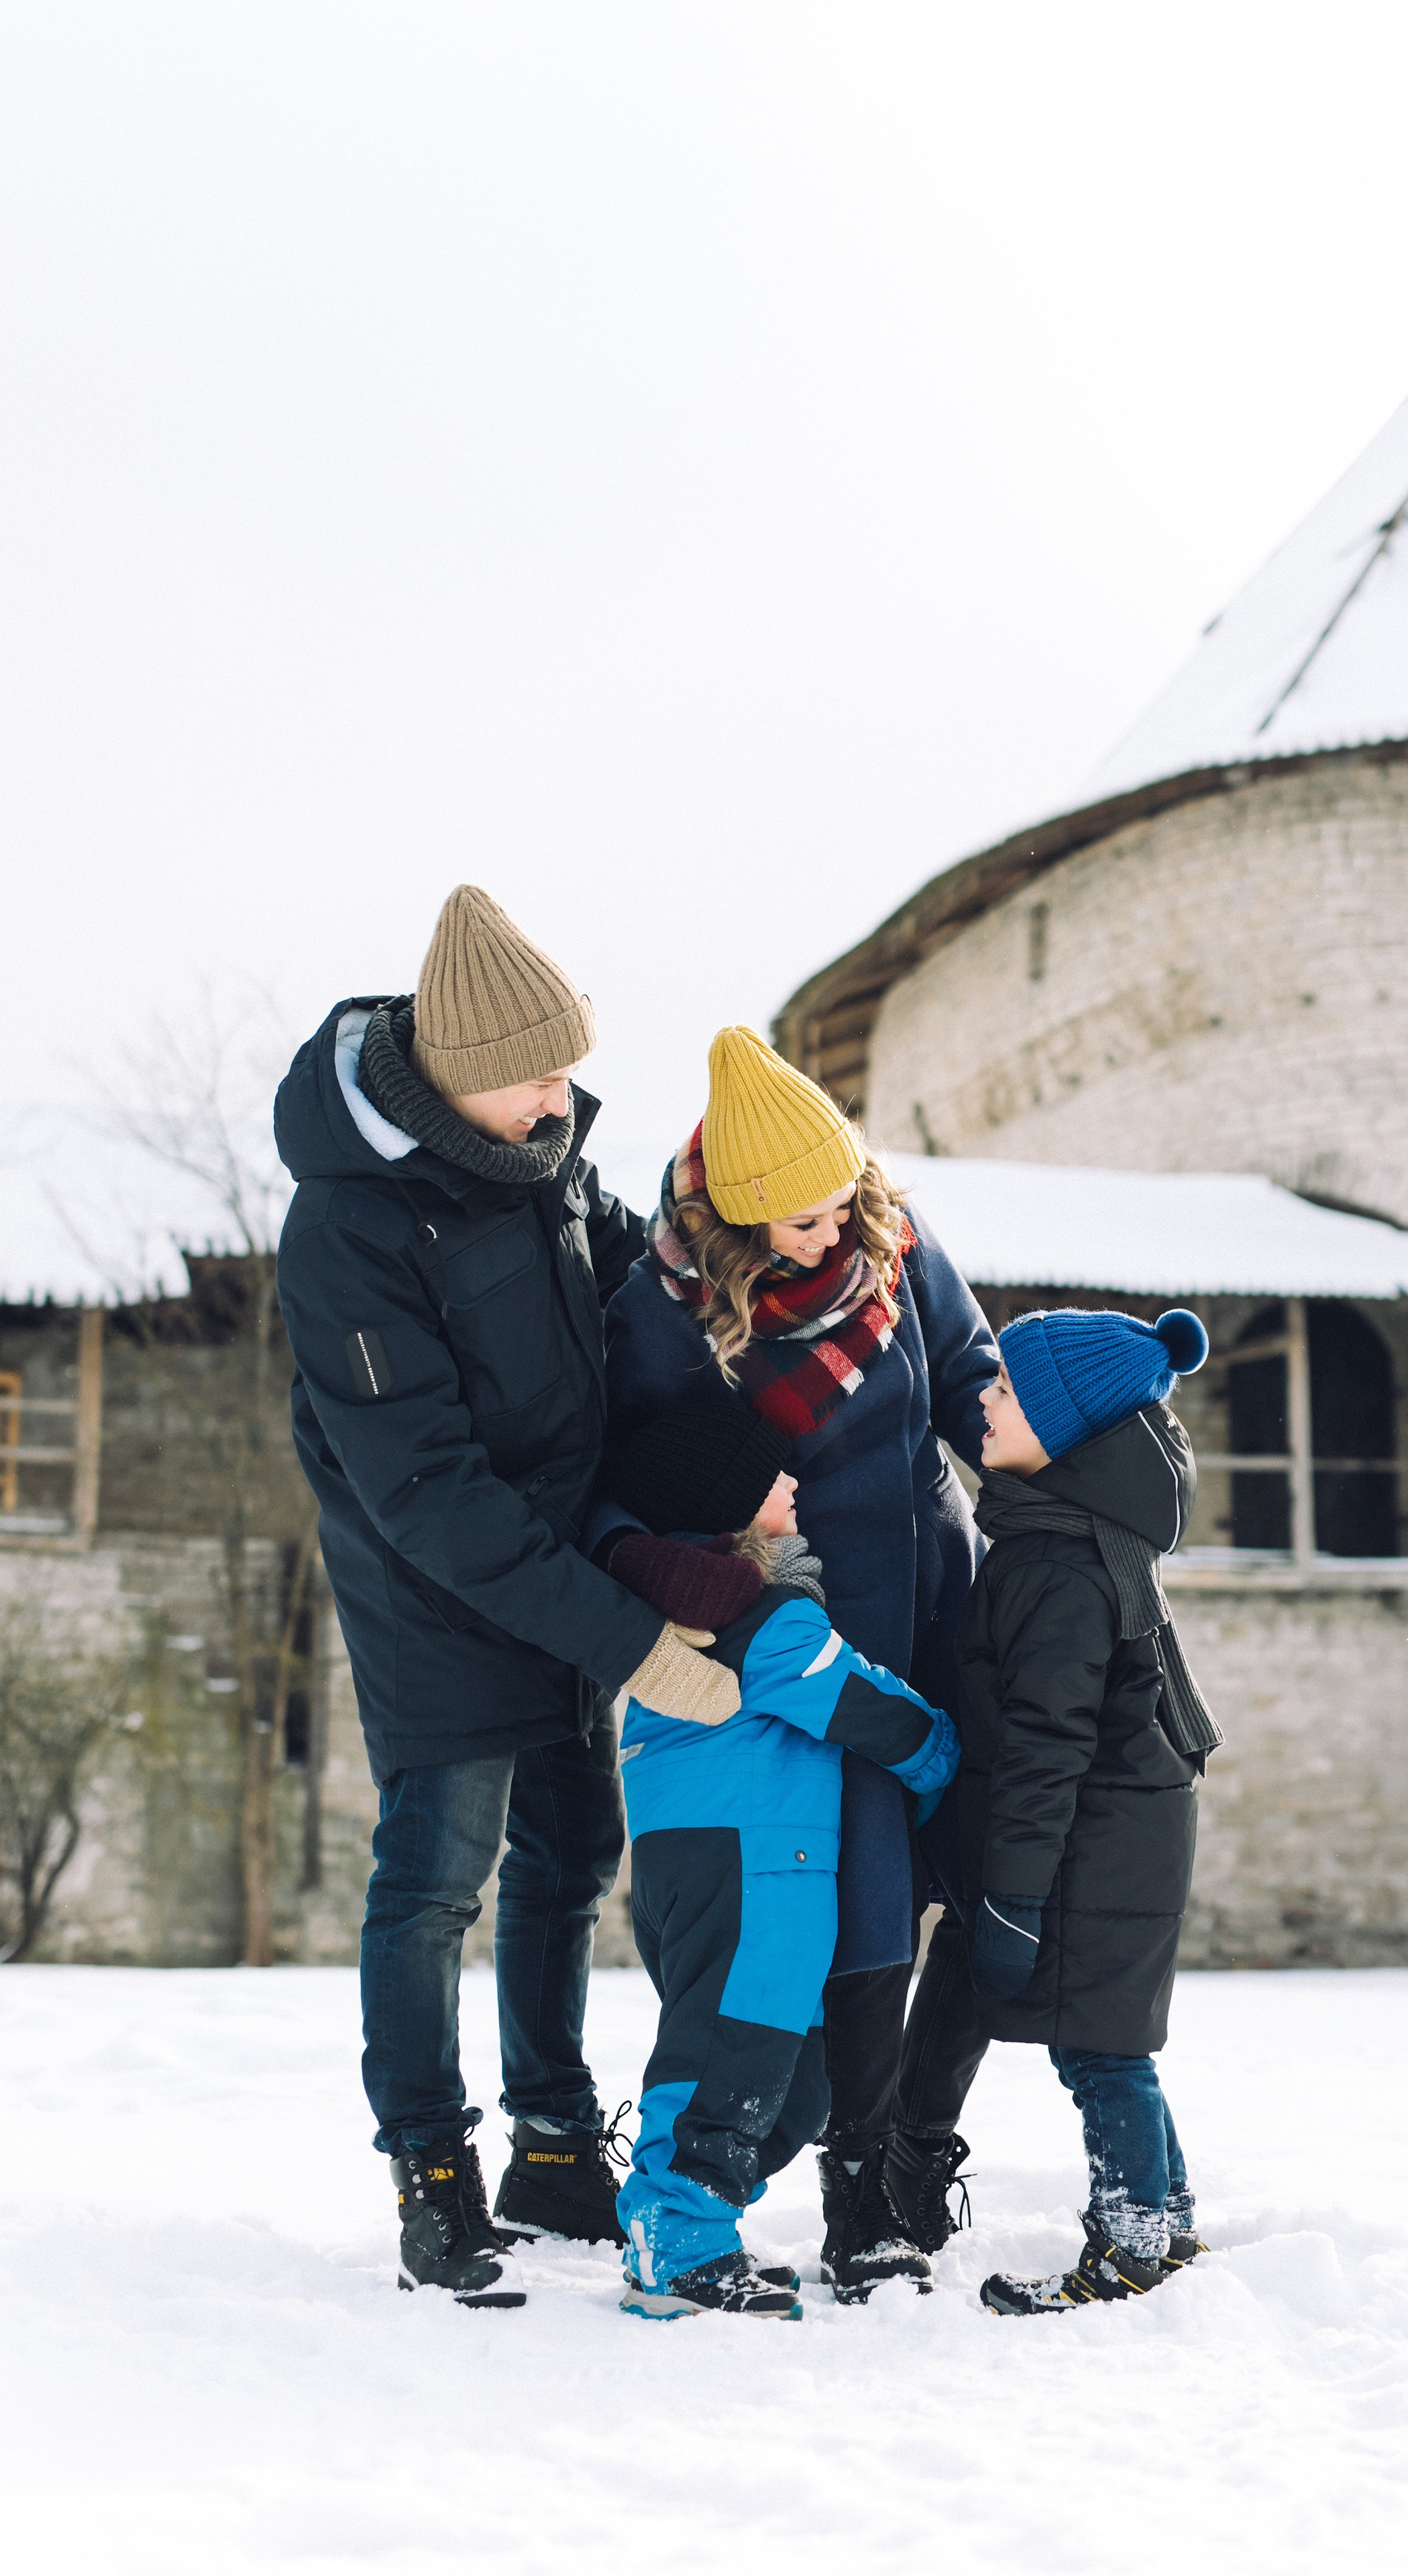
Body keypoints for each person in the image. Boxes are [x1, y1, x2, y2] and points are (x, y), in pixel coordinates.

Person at [274, 884, 742, 2312]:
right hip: (440, 1591)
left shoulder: (542, 1163)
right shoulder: (348, 1230)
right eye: (538, 1071)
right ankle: (430, 2169)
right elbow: (426, 1493)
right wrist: (630, 1641)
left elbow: (630, 1320)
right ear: (454, 1070)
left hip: (560, 1574)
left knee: (568, 1854)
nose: (564, 1095)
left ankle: (552, 2138)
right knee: (434, 1881)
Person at [602, 1024, 997, 2298]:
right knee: (836, 1921)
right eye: (803, 1226)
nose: (835, 1238)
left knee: (928, 1904)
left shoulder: (892, 1240)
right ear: (734, 1221)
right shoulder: (661, 1318)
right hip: (793, 1630)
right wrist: (727, 1588)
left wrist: (1056, 1488)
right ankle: (847, 2196)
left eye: (846, 1208)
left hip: (924, 1609)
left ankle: (893, 2167)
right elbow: (634, 1489)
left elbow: (976, 1382)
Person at [597, 1399, 959, 2319]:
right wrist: (952, 1758)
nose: (795, 1484)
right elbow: (873, 1709)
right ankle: (674, 2241)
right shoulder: (760, 1621)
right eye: (774, 1475)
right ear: (729, 1503)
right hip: (748, 1862)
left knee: (792, 2083)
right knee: (732, 2050)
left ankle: (694, 2218)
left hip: (728, 1858)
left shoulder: (693, 1607)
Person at [900, 1303, 1222, 2315]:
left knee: (1100, 2050)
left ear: (1065, 1425)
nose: (984, 1401)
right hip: (1123, 1826)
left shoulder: (1057, 1565)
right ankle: (1162, 2222)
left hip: (1095, 1837)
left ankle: (1130, 2243)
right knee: (1113, 2040)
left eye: (1005, 1389)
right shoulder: (1081, 1532)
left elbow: (1046, 1747)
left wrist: (1012, 1898)